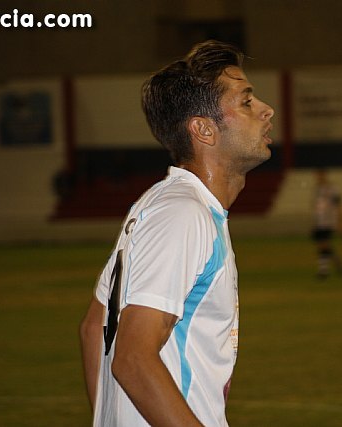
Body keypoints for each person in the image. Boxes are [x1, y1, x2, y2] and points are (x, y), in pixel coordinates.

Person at [79, 40, 274, 427]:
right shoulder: (184, 214)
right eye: (246, 102)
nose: (267, 110)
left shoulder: (164, 205)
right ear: (203, 129)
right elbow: (133, 359)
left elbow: (92, 328)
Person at [311, 168, 342, 279]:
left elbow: (338, 205)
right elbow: (317, 207)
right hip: (320, 221)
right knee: (323, 245)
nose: (318, 178)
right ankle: (338, 262)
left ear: (324, 175)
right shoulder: (317, 189)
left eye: (320, 175)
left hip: (329, 221)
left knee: (323, 244)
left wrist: (340, 222)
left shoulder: (332, 189)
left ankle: (323, 270)